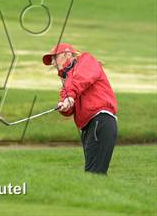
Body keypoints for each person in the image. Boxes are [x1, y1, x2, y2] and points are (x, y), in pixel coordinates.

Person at [42, 43, 118, 174]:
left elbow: (82, 80)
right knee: (92, 172)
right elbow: (69, 108)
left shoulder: (86, 60)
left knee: (94, 174)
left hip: (100, 120)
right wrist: (64, 106)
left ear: (67, 54)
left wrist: (69, 97)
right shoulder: (67, 80)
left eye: (55, 58)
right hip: (88, 127)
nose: (53, 63)